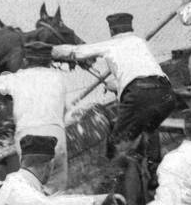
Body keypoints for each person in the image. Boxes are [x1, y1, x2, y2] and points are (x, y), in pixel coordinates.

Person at [52, 12, 177, 162]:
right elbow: (143, 74)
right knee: (148, 128)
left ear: (111, 31)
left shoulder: (111, 44)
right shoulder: (140, 41)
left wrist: (48, 51)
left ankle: (119, 173)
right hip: (166, 94)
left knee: (116, 144)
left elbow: (76, 52)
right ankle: (152, 169)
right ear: (130, 28)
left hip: (139, 95)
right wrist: (118, 86)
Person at [0, 37, 70, 190]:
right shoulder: (59, 78)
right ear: (49, 61)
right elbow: (66, 109)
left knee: (34, 191)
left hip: (29, 141)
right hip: (57, 136)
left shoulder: (16, 79)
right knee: (57, 193)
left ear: (25, 61)